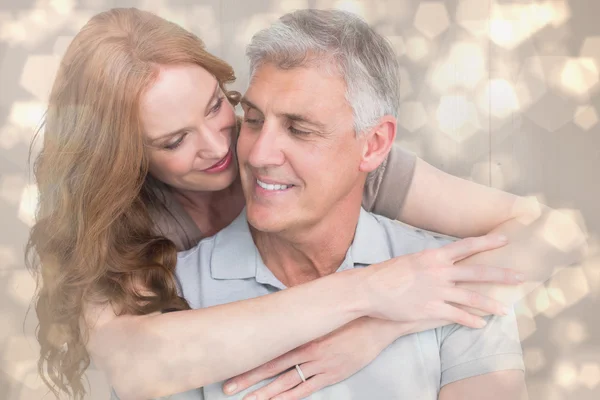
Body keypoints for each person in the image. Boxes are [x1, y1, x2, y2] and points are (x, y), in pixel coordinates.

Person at [25, 7, 585, 400]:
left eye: (222, 107)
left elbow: (554, 232)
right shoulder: (127, 232)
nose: (226, 148)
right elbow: (138, 365)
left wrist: (377, 326)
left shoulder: (358, 164)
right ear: (125, 158)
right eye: (174, 142)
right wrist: (366, 292)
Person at [175, 9, 527, 399]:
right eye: (254, 120)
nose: (259, 155)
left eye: (299, 129)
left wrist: (379, 326)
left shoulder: (454, 283)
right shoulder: (177, 292)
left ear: (374, 144)